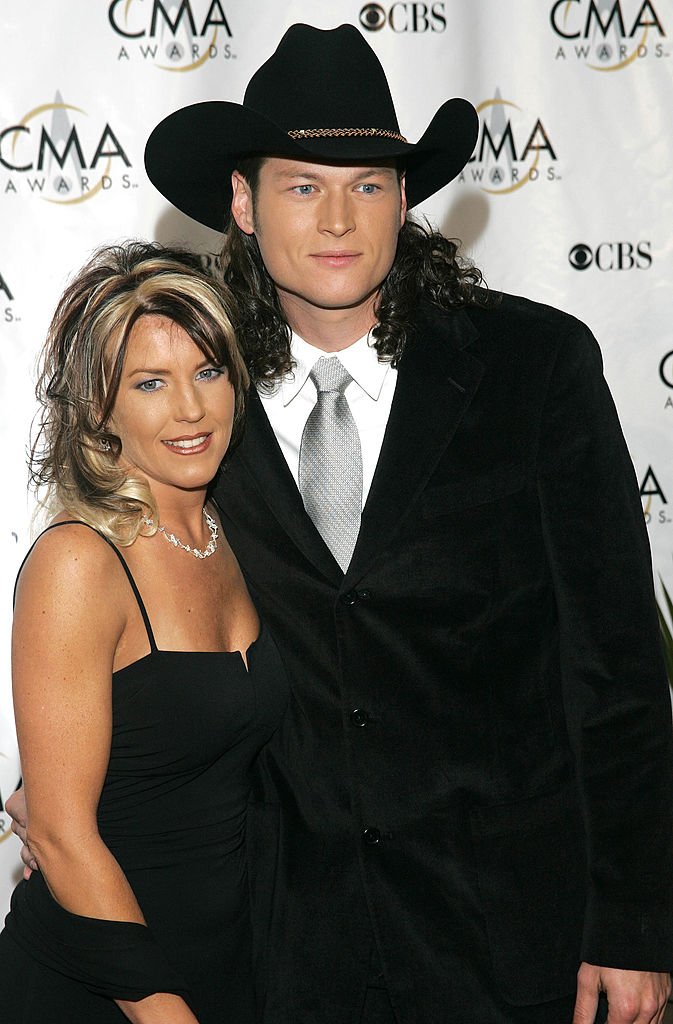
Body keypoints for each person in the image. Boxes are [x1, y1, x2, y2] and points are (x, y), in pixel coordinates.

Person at [9, 19, 673, 1024]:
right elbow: (137, 638)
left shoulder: (533, 370)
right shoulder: (196, 406)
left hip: (513, 939)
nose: (336, 219)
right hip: (287, 957)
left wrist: (631, 930)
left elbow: (617, 668)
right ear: (240, 201)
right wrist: (70, 824)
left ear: (405, 200)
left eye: (366, 184)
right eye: (301, 184)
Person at [0, 241, 288, 1023]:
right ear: (100, 406)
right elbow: (60, 836)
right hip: (105, 985)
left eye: (207, 372)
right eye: (150, 383)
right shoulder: (79, 562)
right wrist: (166, 1013)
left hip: (229, 964)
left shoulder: (244, 532)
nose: (190, 410)